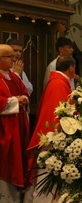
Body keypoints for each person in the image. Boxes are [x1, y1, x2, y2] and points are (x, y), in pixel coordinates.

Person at [0, 44, 34, 202]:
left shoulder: (13, 76)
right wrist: (15, 101)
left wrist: (24, 98)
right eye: (9, 57)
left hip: (18, 126)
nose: (14, 60)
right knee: (7, 163)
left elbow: (24, 90)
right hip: (4, 128)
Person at [28, 56, 76, 151]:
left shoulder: (57, 81)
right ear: (71, 68)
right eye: (75, 68)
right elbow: (61, 111)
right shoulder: (59, 84)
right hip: (52, 132)